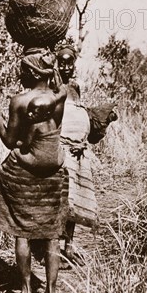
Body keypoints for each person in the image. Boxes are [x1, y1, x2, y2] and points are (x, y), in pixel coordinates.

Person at [0, 48, 68, 293]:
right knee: (52, 234)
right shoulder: (58, 98)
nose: (20, 74)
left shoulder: (19, 101)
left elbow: (11, 141)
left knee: (22, 233)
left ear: (31, 72)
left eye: (23, 70)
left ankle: (25, 292)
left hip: (24, 174)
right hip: (53, 175)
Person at [55, 43, 98, 263]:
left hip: (79, 150)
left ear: (74, 63)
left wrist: (83, 139)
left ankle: (69, 248)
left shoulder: (76, 85)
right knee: (62, 197)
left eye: (68, 61)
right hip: (61, 148)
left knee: (75, 198)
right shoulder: (53, 84)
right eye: (61, 61)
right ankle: (53, 252)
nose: (65, 66)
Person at [15, 93, 65, 174]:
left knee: (15, 152)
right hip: (57, 161)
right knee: (60, 149)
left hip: (38, 162)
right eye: (29, 111)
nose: (30, 114)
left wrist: (18, 143)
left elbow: (27, 144)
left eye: (34, 113)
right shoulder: (53, 122)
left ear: (45, 115)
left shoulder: (35, 125)